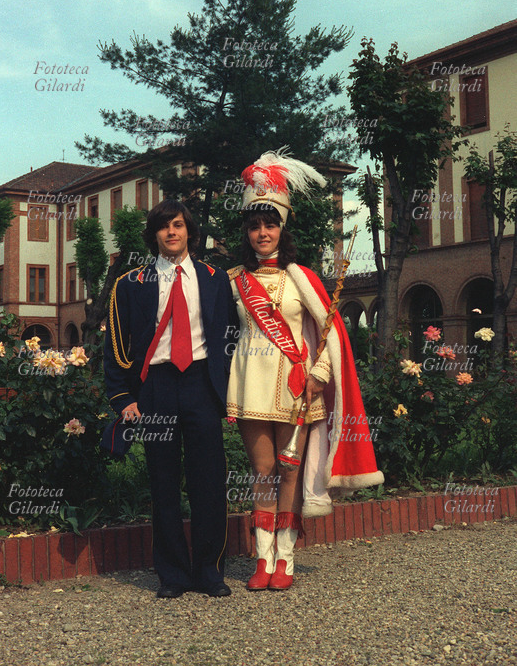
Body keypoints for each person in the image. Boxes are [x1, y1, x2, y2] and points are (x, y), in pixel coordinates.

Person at [226, 150, 384, 590]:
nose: (262, 232)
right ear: (247, 230)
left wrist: (319, 374)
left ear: (282, 228)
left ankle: (287, 560)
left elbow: (331, 336)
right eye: (255, 225)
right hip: (252, 387)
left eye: (270, 224)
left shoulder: (304, 278)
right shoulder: (234, 280)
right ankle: (262, 559)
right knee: (262, 473)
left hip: (299, 388)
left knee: (291, 470)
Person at [103, 199, 238, 598]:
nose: (171, 232)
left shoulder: (215, 279)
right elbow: (115, 344)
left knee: (209, 482)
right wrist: (123, 397)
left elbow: (230, 337)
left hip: (200, 384)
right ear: (155, 235)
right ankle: (173, 575)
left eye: (177, 225)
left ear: (189, 231)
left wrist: (227, 391)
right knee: (163, 482)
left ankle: (211, 572)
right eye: (163, 227)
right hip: (156, 387)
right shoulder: (131, 284)